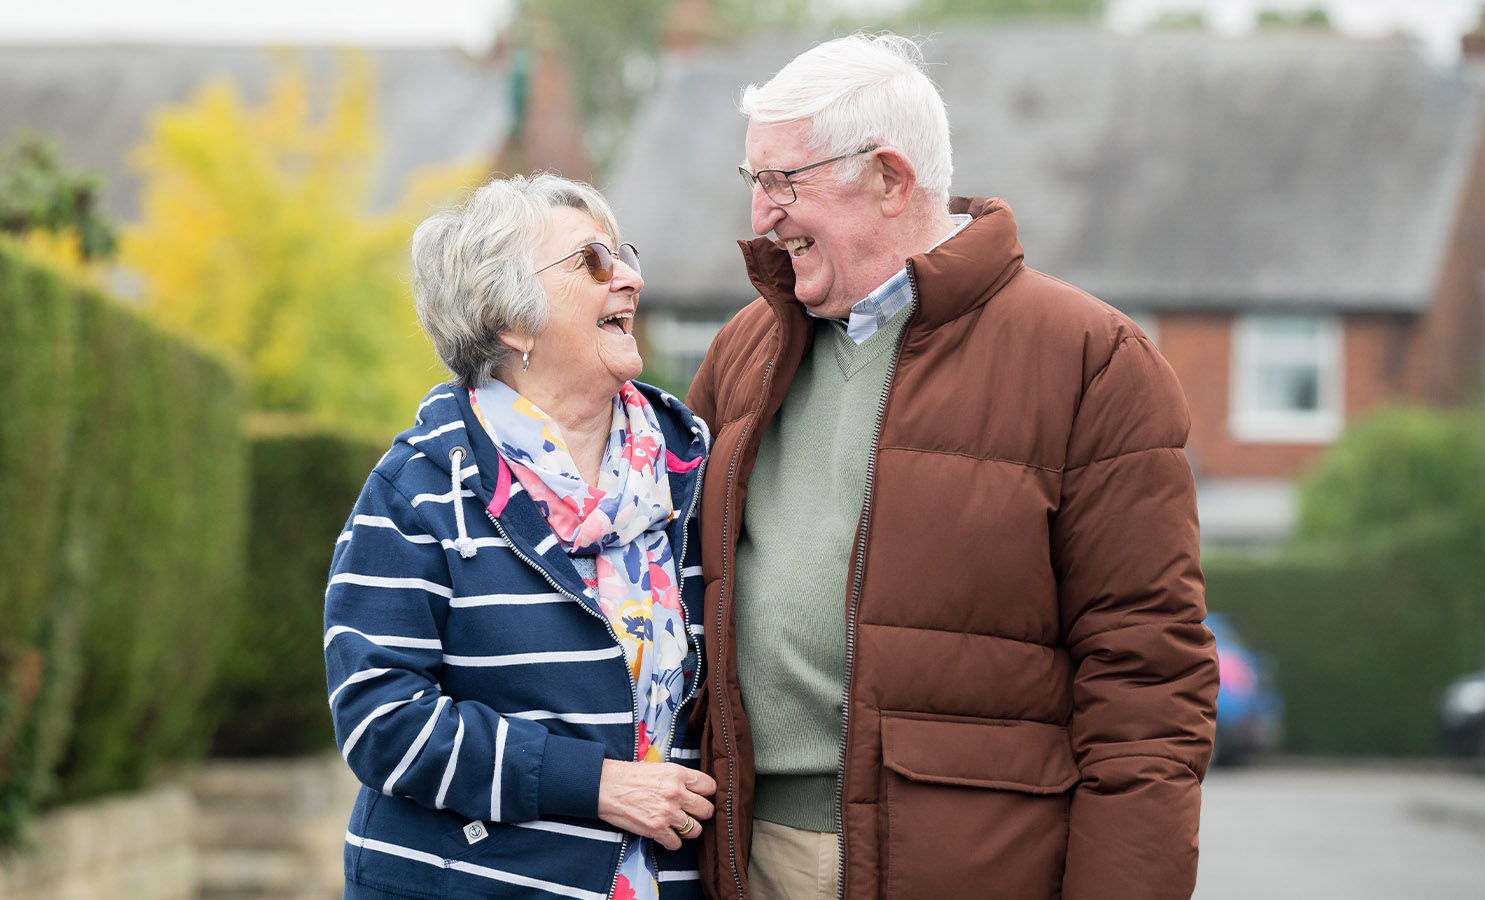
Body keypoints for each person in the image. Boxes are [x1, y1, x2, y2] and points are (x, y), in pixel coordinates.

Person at [684, 33, 1218, 900]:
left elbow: (1148, 685)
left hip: (971, 869)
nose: (761, 216)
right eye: (755, 183)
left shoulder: (1092, 360)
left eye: (785, 181)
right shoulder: (743, 351)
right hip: (747, 861)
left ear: (890, 178)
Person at [325, 173, 716, 900]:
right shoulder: (420, 486)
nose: (629, 277)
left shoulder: (694, 474)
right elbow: (380, 718)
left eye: (623, 253)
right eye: (592, 261)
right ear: (511, 321)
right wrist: (592, 785)